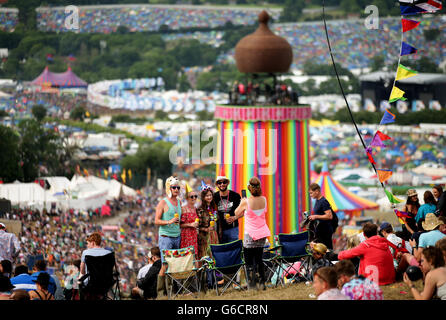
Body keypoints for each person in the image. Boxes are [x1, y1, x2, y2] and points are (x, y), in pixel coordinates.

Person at [234, 177, 271, 290]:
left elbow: (236, 212)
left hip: (250, 234)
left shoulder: (246, 201)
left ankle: (252, 285)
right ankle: (262, 283)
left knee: (249, 261)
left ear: (249, 188)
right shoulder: (264, 199)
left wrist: (242, 202)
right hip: (262, 234)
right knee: (259, 259)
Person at [155, 176, 182, 279]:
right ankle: (161, 292)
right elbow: (156, 221)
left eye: (178, 187)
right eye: (174, 187)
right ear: (169, 188)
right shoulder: (163, 202)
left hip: (177, 237)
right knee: (165, 265)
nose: (176, 190)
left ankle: (172, 289)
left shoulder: (179, 202)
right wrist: (169, 221)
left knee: (175, 265)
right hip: (166, 237)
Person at [79, 232, 112, 299]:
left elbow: (82, 271)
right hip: (104, 285)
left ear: (93, 243)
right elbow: (110, 270)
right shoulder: (109, 253)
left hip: (90, 284)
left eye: (88, 244)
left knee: (78, 282)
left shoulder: (86, 253)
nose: (87, 246)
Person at [214, 172, 241, 244]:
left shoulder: (235, 196)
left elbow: (244, 211)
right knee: (222, 251)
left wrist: (235, 217)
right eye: (219, 183)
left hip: (233, 228)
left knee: (233, 249)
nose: (222, 184)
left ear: (227, 183)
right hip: (219, 230)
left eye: (224, 182)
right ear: (217, 185)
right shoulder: (214, 197)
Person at [308, 183, 334, 249]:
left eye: (311, 193)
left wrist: (316, 216)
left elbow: (329, 216)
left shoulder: (323, 201)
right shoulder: (317, 201)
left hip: (325, 231)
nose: (310, 195)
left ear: (317, 191)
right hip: (320, 230)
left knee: (326, 249)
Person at [197, 184, 219, 260]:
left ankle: (214, 271)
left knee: (214, 254)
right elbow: (197, 226)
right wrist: (206, 229)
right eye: (207, 196)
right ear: (203, 197)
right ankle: (207, 271)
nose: (209, 197)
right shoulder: (200, 209)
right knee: (206, 255)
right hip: (204, 237)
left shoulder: (214, 207)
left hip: (214, 235)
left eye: (210, 195)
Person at [180, 188, 199, 256]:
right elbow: (180, 225)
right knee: (186, 256)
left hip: (194, 235)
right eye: (191, 196)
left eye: (195, 196)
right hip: (186, 235)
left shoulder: (195, 209)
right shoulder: (183, 209)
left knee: (194, 256)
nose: (194, 198)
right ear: (187, 198)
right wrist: (190, 225)